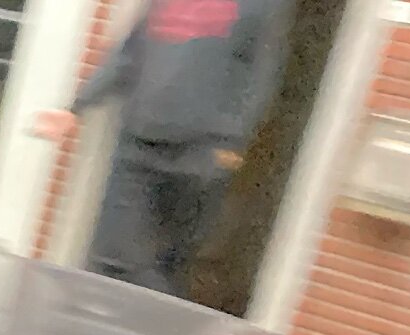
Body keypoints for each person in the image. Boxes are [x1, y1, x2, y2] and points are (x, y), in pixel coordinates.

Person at [35, 0, 292, 298]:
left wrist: (230, 143)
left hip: (200, 154)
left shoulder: (261, 5)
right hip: (138, 143)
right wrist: (76, 107)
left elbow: (261, 75)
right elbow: (129, 55)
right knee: (112, 257)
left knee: (167, 265)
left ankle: (153, 323)